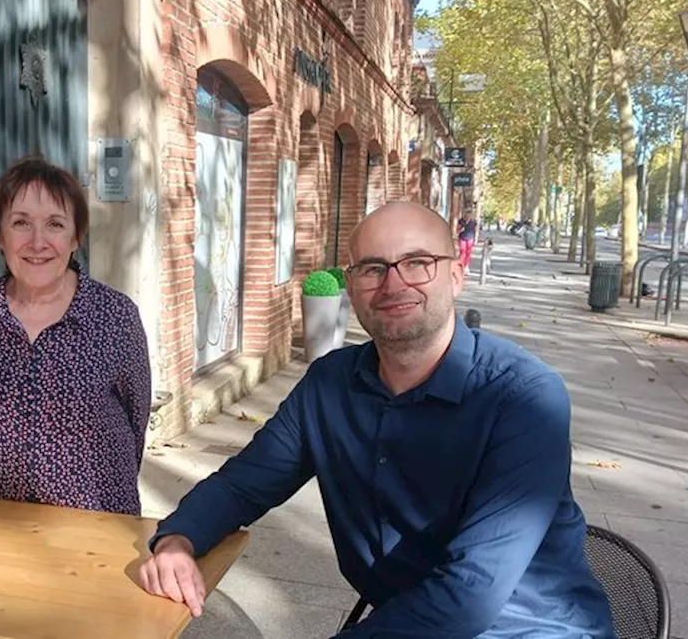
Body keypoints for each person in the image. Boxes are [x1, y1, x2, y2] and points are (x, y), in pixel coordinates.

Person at [136, 201, 615, 638]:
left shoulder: (524, 397)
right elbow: (245, 484)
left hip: (529, 628)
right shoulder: (330, 383)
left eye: (417, 263)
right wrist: (179, 538)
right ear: (352, 285)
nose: (393, 284)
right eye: (372, 268)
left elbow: (472, 593)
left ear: (457, 274)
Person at [0, 156, 152, 515]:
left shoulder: (115, 316)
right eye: (21, 223)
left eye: (55, 224)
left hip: (97, 529)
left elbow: (135, 424)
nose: (38, 242)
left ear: (75, 237)